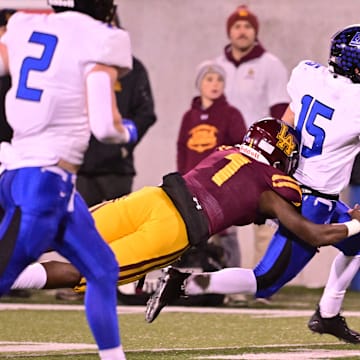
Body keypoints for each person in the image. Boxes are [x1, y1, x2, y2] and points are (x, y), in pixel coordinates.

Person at [146, 24, 360, 344]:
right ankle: (184, 284)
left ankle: (328, 314)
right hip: (312, 201)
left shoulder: (309, 75)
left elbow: (287, 120)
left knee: (356, 244)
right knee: (265, 280)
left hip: (289, 183)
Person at [11, 118, 360, 308]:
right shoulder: (274, 187)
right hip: (174, 228)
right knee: (82, 270)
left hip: (152, 197)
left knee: (55, 232)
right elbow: (313, 234)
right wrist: (355, 221)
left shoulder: (226, 151)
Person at [0, 0, 133, 358]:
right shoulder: (98, 36)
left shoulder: (23, 23)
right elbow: (106, 127)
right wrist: (128, 132)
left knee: (102, 268)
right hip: (43, 184)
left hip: (32, 177)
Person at [215, 4, 291, 275]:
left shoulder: (270, 65)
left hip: (260, 155)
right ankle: (219, 280)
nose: (242, 31)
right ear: (229, 32)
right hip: (227, 152)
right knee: (218, 216)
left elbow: (282, 113)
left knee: (264, 217)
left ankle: (262, 281)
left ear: (255, 32)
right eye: (237, 26)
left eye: (247, 26)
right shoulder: (218, 66)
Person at [77, 14, 156, 207]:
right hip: (82, 167)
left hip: (116, 169)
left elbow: (146, 113)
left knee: (117, 230)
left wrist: (124, 143)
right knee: (82, 229)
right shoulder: (79, 65)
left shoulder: (133, 69)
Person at [176, 59, 246, 270]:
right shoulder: (189, 116)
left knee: (226, 234)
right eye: (209, 79)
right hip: (194, 186)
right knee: (194, 232)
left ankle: (234, 285)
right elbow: (182, 150)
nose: (215, 84)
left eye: (219, 80)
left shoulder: (231, 114)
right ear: (200, 84)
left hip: (221, 184)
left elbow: (240, 148)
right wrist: (181, 181)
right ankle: (195, 281)